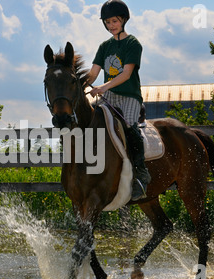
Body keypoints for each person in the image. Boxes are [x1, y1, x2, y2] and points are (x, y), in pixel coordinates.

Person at [88, 0, 151, 201]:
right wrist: (76, 86)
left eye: (114, 21)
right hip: (109, 96)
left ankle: (141, 174)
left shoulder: (133, 44)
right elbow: (93, 74)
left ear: (123, 20)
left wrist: (103, 87)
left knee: (128, 126)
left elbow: (126, 74)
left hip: (129, 96)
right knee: (89, 121)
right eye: (107, 22)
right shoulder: (104, 46)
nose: (111, 25)